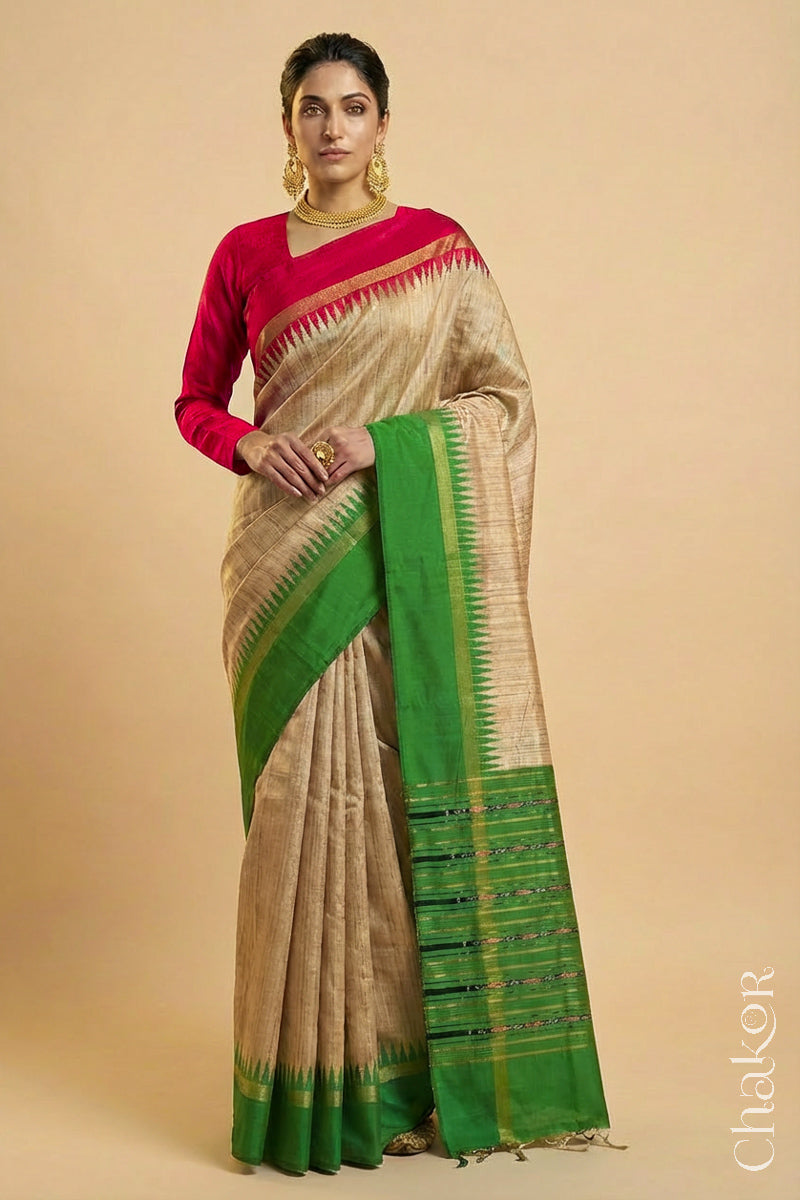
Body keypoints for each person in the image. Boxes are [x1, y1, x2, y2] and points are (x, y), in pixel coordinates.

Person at [175, 31, 612, 1176]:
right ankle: (305, 1096)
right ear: (286, 126)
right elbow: (192, 401)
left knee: (392, 796)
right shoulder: (243, 255)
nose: (330, 128)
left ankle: (413, 1080)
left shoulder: (437, 252)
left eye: (352, 107)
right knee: (297, 815)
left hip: (389, 551)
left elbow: (501, 401)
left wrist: (383, 442)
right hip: (281, 568)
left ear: (381, 125)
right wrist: (252, 444)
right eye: (310, 108)